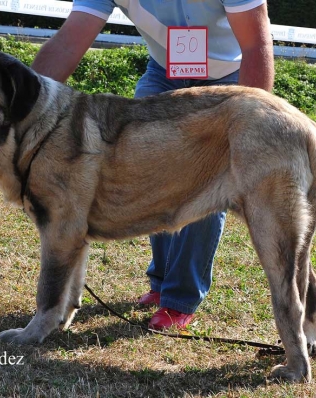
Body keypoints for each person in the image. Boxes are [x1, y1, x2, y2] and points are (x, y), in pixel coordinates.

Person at [30, 0, 274, 330]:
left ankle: (180, 299)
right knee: (148, 173)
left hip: (227, 78)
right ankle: (160, 282)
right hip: (164, 72)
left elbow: (255, 45)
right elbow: (69, 40)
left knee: (206, 184)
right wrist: (25, 107)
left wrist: (249, 124)